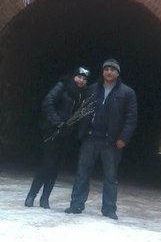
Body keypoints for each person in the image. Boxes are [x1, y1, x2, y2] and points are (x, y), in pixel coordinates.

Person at [65, 59, 137, 220]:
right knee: (82, 174)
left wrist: (123, 138)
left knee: (110, 177)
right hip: (90, 138)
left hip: (111, 141)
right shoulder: (91, 89)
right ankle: (76, 204)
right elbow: (80, 110)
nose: (109, 72)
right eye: (106, 69)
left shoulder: (127, 93)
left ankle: (109, 209)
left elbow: (131, 119)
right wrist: (79, 130)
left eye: (112, 69)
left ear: (118, 73)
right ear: (103, 72)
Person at [25, 67, 91, 209]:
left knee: (56, 166)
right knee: (48, 163)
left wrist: (74, 130)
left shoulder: (83, 95)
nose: (81, 80)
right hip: (52, 131)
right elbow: (48, 102)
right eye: (79, 77)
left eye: (85, 79)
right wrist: (58, 122)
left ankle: (45, 198)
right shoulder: (63, 86)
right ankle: (31, 195)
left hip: (67, 134)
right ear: (73, 76)